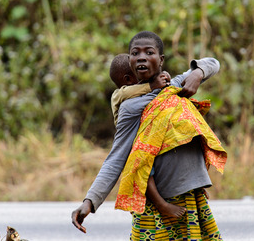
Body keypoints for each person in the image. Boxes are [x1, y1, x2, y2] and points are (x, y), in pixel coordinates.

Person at [72, 31, 226, 240]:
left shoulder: (175, 86)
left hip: (191, 192)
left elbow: (213, 63)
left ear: (161, 60)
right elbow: (116, 158)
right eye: (135, 53)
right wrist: (89, 202)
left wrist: (196, 75)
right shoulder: (130, 107)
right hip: (158, 202)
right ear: (131, 64)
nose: (142, 57)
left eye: (149, 52)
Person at [109, 53, 187, 218]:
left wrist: (165, 79)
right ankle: (161, 204)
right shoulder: (120, 95)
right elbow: (132, 92)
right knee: (147, 171)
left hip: (150, 136)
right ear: (129, 79)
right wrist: (152, 85)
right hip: (134, 141)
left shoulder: (142, 93)